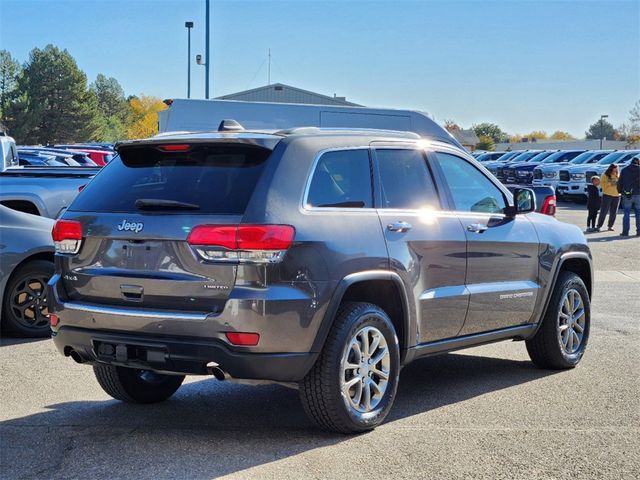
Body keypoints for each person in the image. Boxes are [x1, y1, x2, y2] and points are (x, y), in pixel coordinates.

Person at [617, 156, 640, 236]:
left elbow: (620, 182)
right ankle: (639, 231)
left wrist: (619, 191)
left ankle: (625, 232)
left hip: (627, 194)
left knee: (626, 213)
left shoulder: (624, 170)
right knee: (638, 213)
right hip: (638, 194)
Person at [596, 164, 620, 232]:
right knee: (604, 211)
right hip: (607, 195)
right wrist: (611, 183)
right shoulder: (605, 175)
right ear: (611, 168)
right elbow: (602, 184)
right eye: (614, 168)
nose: (615, 170)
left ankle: (610, 226)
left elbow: (621, 183)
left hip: (617, 195)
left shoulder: (618, 175)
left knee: (614, 212)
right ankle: (599, 225)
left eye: (617, 169)